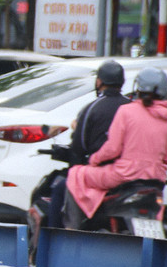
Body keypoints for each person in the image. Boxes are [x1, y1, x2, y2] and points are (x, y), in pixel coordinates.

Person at [65, 66, 167, 227]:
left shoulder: (126, 111)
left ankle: (72, 232)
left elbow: (112, 149)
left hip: (124, 175)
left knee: (76, 174)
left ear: (138, 87)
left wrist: (94, 160)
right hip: (156, 181)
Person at [44, 60, 129, 227]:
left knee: (62, 187)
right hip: (141, 176)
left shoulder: (93, 109)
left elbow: (79, 147)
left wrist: (93, 159)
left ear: (99, 82)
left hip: (107, 174)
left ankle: (58, 240)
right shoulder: (134, 108)